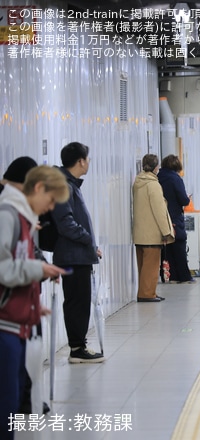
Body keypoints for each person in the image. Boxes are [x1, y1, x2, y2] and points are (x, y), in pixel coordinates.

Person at [1, 166, 70, 439]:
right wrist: (38, 270)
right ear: (38, 188)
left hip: (16, 323)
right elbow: (4, 268)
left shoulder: (23, 218)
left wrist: (31, 305)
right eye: (51, 201)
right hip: (5, 326)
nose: (49, 208)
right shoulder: (8, 216)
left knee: (12, 402)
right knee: (6, 404)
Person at [51, 142, 104, 363]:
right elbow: (65, 223)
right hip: (73, 255)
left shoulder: (69, 184)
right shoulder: (63, 186)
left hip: (78, 254)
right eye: (87, 158)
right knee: (76, 302)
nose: (88, 162)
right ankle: (76, 349)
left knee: (80, 301)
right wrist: (87, 240)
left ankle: (78, 344)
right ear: (81, 161)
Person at [132, 154, 175, 302]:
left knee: (143, 266)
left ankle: (146, 292)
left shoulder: (138, 182)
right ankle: (147, 294)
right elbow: (159, 211)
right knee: (151, 266)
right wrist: (166, 231)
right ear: (156, 167)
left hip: (140, 233)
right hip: (151, 232)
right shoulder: (153, 185)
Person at [158, 155, 194, 284]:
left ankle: (172, 276)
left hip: (161, 216)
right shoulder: (175, 178)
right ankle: (184, 276)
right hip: (174, 216)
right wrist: (187, 198)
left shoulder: (158, 177)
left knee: (169, 247)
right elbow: (183, 199)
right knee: (179, 245)